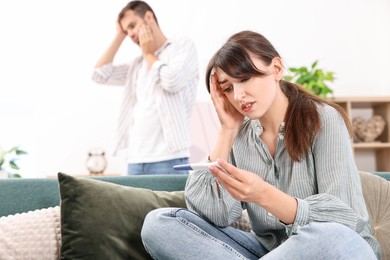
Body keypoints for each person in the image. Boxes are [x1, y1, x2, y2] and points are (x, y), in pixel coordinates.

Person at [140, 30, 381, 259]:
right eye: (228, 88)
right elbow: (213, 214)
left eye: (245, 78)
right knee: (158, 224)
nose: (238, 95)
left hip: (339, 249)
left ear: (276, 68)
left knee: (332, 235)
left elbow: (345, 220)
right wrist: (227, 130)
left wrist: (264, 194)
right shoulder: (240, 137)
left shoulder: (323, 119)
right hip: (270, 252)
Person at [92, 1, 199, 175]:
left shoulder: (182, 47)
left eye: (132, 26)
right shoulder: (137, 65)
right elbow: (99, 75)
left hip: (169, 159)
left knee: (171, 204)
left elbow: (172, 81)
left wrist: (149, 54)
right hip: (135, 160)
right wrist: (120, 35)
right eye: (127, 31)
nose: (131, 34)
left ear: (148, 17)